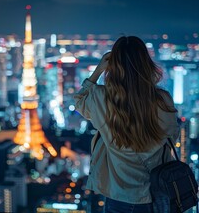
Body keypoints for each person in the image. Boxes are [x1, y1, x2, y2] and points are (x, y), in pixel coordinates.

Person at [74, 36, 179, 213]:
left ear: (113, 66)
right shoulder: (162, 100)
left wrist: (98, 70)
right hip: (155, 194)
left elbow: (79, 101)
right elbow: (171, 136)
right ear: (146, 64)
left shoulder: (102, 98)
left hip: (119, 195)